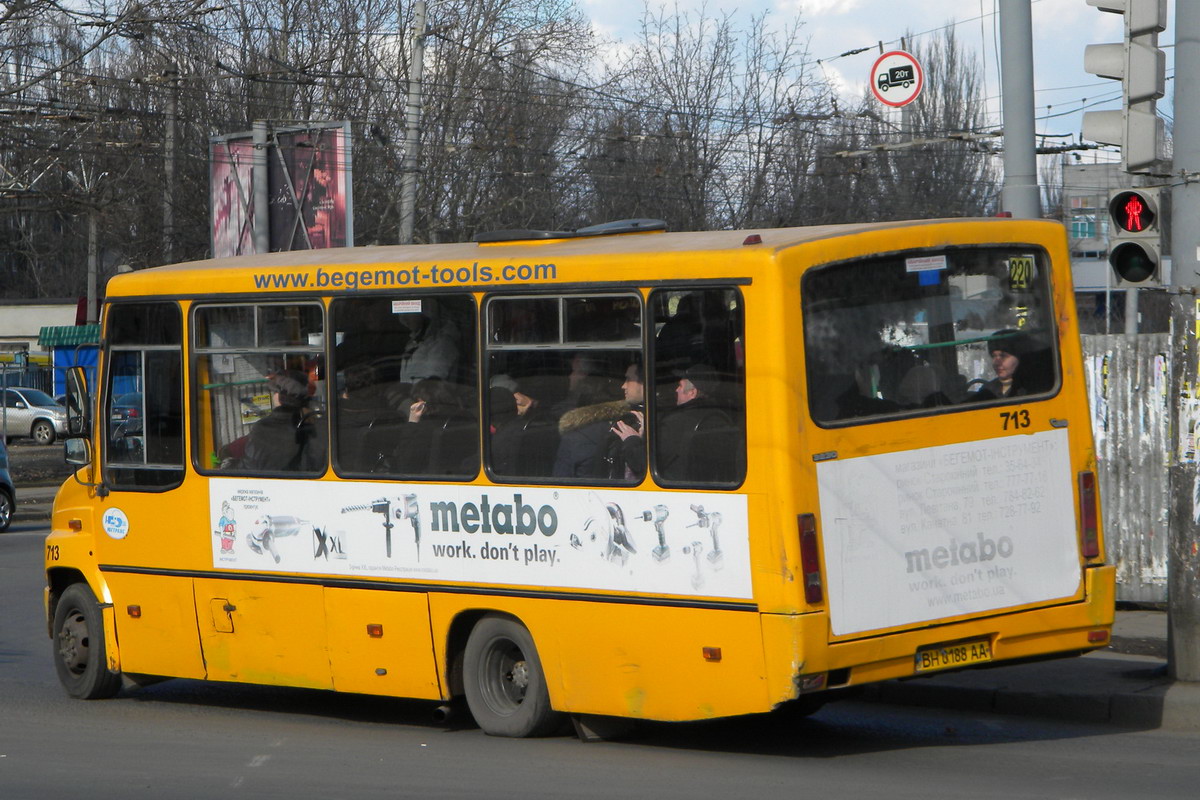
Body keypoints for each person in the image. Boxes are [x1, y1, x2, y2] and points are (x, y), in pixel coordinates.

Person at [656, 364, 732, 480]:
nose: (676, 390)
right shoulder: (722, 417)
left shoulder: (675, 423)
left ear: (692, 392)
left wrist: (631, 439)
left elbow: (643, 463)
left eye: (680, 386)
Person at [241, 370, 325, 472]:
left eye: (275, 392)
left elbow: (250, 465)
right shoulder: (314, 428)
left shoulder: (262, 428)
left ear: (279, 397)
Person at [973, 329, 1031, 400]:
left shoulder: (1033, 388)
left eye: (1003, 356)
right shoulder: (987, 390)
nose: (997, 362)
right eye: (993, 356)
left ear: (1020, 358)